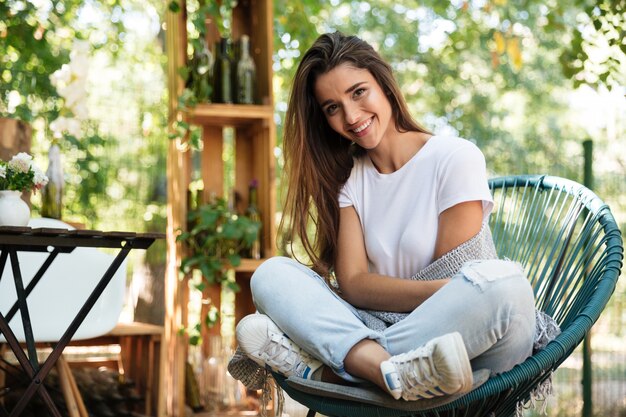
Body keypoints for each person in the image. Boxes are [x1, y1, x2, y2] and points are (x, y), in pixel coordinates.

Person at [234, 32, 536, 401]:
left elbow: (453, 285)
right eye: (332, 107)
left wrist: (442, 293)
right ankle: (388, 373)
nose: (351, 116)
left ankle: (336, 371)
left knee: (505, 287)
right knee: (271, 274)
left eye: (358, 92)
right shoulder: (350, 183)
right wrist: (444, 292)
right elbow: (356, 285)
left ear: (384, 84)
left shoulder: (455, 158)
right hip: (402, 339)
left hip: (465, 338)